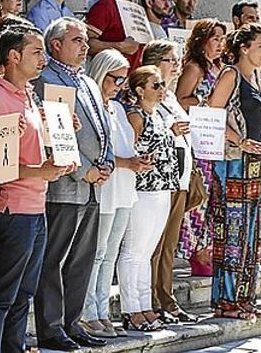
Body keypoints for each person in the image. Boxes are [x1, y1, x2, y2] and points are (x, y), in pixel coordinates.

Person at [0, 25, 72, 353]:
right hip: (11, 209)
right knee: (1, 296)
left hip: (35, 206)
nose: (44, 59)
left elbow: (31, 143)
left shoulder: (29, 94)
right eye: (37, 52)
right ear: (14, 57)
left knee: (23, 295)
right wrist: (40, 171)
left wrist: (59, 130)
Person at [33, 17, 113, 352]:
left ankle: (71, 322)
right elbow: (58, 136)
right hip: (65, 184)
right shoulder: (46, 80)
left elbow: (98, 126)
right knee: (55, 258)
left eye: (84, 42)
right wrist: (83, 172)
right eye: (77, 41)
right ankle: (51, 328)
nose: (85, 47)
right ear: (56, 46)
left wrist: (105, 160)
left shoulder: (88, 81)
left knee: (82, 257)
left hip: (94, 184)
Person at [80, 50, 147, 339]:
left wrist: (137, 161)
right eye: (114, 78)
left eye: (123, 79)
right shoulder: (91, 106)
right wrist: (126, 162)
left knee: (111, 254)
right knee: (96, 252)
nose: (119, 85)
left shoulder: (118, 109)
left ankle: (102, 309)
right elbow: (101, 152)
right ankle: (87, 311)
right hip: (105, 186)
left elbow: (124, 146)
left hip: (124, 188)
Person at [205, 23, 261, 320]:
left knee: (250, 231)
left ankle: (244, 297)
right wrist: (240, 141)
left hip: (253, 163)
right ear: (244, 47)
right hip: (232, 162)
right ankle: (226, 300)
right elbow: (212, 112)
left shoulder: (255, 78)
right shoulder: (231, 74)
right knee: (232, 229)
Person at [117, 66, 179, 331]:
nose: (162, 89)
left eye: (162, 84)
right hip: (142, 189)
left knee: (145, 253)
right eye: (156, 85)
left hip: (162, 189)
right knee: (133, 251)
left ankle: (145, 306)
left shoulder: (160, 115)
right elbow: (130, 150)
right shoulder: (136, 116)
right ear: (140, 89)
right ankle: (132, 309)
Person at [142, 41, 198, 323]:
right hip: (161, 180)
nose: (176, 64)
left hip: (180, 178)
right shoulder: (149, 95)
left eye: (178, 59)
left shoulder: (172, 97)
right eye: (170, 59)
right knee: (155, 244)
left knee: (169, 246)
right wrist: (170, 129)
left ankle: (166, 298)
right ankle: (152, 299)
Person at [175, 19, 226, 277]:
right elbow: (180, 100)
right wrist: (206, 100)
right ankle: (195, 250)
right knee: (200, 198)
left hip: (216, 140)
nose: (220, 44)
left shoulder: (220, 68)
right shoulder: (195, 68)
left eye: (222, 39)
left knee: (215, 198)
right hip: (199, 139)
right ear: (202, 40)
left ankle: (207, 247)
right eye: (215, 38)